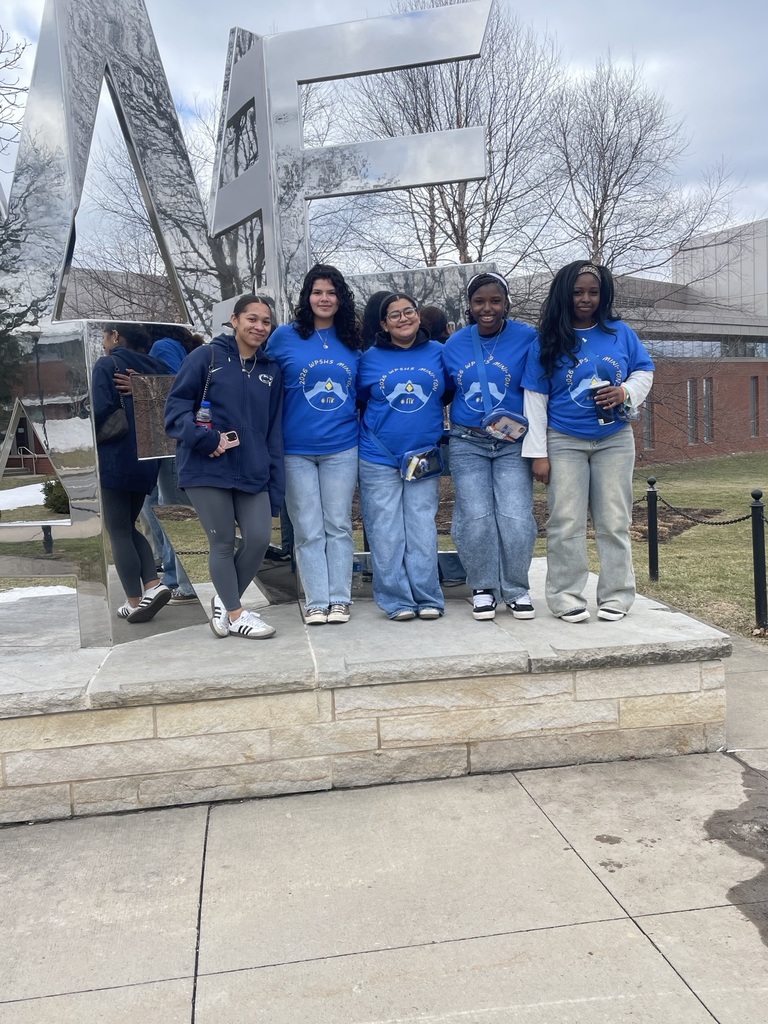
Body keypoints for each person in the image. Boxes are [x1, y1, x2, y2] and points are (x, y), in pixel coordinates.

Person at [522, 261, 654, 622]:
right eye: (578, 292)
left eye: (593, 292)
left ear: (603, 295)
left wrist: (625, 391)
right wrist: (538, 454)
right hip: (563, 440)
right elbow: (535, 399)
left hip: (614, 440)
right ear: (565, 294)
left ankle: (617, 596)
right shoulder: (546, 340)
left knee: (614, 520)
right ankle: (565, 596)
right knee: (566, 521)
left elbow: (644, 370)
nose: (585, 299)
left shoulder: (619, 332)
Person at [165, 294, 284, 639]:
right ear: (234, 320)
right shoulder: (206, 356)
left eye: (266, 321)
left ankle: (224, 600)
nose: (259, 326)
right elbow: (175, 412)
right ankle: (235, 613)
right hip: (207, 466)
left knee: (259, 539)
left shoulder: (271, 371)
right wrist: (207, 439)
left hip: (253, 470)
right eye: (252, 318)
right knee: (221, 542)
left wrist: (275, 484)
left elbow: (273, 432)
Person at [267, 264, 361, 625]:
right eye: (318, 292)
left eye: (332, 292)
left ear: (341, 299)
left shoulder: (352, 340)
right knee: (307, 527)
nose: (325, 299)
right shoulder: (284, 337)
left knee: (337, 523)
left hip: (341, 446)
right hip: (294, 449)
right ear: (307, 297)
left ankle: (340, 599)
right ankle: (316, 600)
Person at [442, 272, 538, 621]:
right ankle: (483, 586)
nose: (488, 308)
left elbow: (539, 389)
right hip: (468, 440)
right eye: (479, 301)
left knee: (515, 516)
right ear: (469, 305)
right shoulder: (454, 344)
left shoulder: (527, 337)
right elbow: (444, 390)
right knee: (475, 517)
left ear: (506, 303)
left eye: (495, 300)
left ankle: (515, 588)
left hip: (513, 443)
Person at [357, 293, 447, 620]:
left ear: (418, 316)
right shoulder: (369, 359)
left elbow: (449, 390)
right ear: (384, 324)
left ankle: (428, 598)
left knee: (422, 528)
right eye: (394, 315)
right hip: (378, 456)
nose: (403, 318)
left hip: (422, 456)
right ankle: (396, 600)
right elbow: (359, 399)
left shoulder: (439, 353)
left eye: (408, 311)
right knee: (385, 531)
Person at [93, 323, 173, 623]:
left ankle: (134, 599)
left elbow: (100, 409)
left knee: (118, 530)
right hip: (148, 458)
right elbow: (179, 397)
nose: (103, 343)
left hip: (116, 457)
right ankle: (153, 585)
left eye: (104, 336)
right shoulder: (158, 365)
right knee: (129, 525)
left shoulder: (107, 364)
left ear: (116, 336)